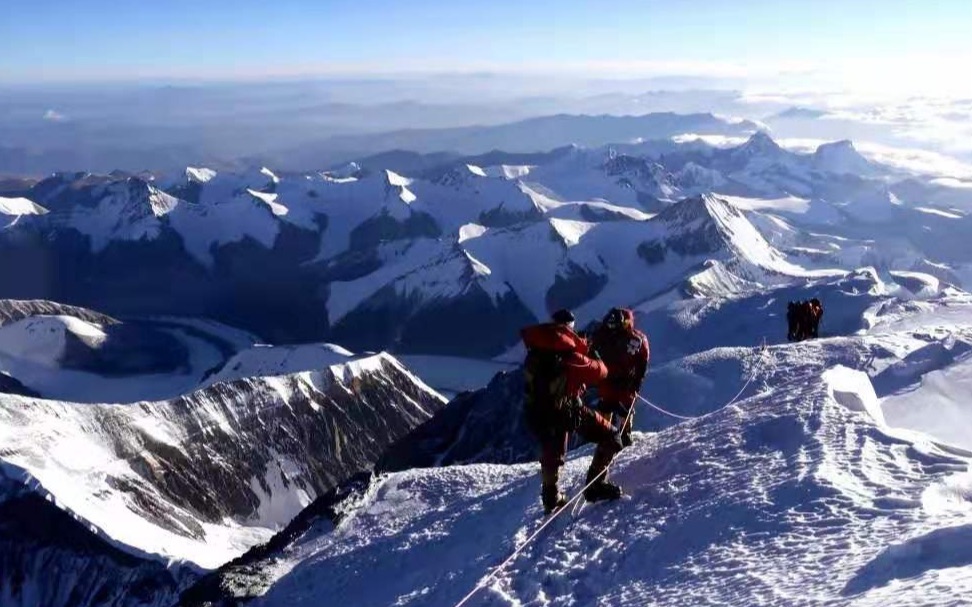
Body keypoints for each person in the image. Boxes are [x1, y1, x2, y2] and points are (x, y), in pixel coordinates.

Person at [521, 309, 624, 514]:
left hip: (539, 410)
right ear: (569, 328)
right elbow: (600, 373)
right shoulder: (570, 356)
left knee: (553, 452)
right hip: (567, 409)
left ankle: (551, 497)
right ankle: (595, 486)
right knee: (612, 437)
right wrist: (591, 353)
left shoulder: (536, 352)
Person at [590, 307, 649, 448]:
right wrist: (637, 381)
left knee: (615, 407)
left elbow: (642, 362)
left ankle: (613, 434)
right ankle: (616, 434)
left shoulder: (602, 334)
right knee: (616, 407)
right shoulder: (637, 338)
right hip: (620, 381)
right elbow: (643, 361)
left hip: (613, 380)